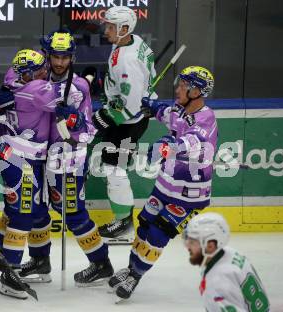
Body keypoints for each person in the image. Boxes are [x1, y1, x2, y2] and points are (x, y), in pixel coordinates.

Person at [110, 66, 218, 301]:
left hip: (189, 195)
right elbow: (164, 112)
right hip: (166, 185)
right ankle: (130, 269)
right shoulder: (179, 110)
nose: (177, 88)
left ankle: (135, 276)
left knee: (159, 233)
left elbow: (192, 141)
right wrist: (149, 104)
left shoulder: (205, 118)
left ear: (196, 90)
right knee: (145, 225)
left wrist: (166, 145)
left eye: (183, 85)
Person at [0, 48, 58, 299]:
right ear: (25, 75)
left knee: (31, 211)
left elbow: (3, 98)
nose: (45, 73)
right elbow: (63, 97)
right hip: (21, 159)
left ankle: (1, 259)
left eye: (44, 69)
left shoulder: (13, 80)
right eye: (39, 71)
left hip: (19, 157)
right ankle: (10, 274)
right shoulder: (38, 89)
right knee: (23, 215)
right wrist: (86, 83)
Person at [39, 29, 113, 286]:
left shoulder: (79, 86)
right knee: (38, 209)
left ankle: (101, 262)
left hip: (67, 158)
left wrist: (76, 119)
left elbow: (89, 131)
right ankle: (40, 260)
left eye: (65, 57)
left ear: (72, 57)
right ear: (47, 55)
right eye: (55, 56)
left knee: (72, 212)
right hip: (39, 157)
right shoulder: (36, 80)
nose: (60, 63)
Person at [92, 6, 157, 244]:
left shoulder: (127, 62)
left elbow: (131, 102)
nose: (106, 30)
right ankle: (124, 221)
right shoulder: (134, 42)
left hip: (128, 123)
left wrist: (105, 118)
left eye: (111, 27)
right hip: (131, 119)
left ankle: (124, 224)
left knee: (114, 168)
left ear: (124, 29)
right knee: (114, 166)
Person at [183, 212, 270, 312]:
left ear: (210, 246)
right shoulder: (231, 253)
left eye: (192, 242)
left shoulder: (217, 284)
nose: (187, 246)